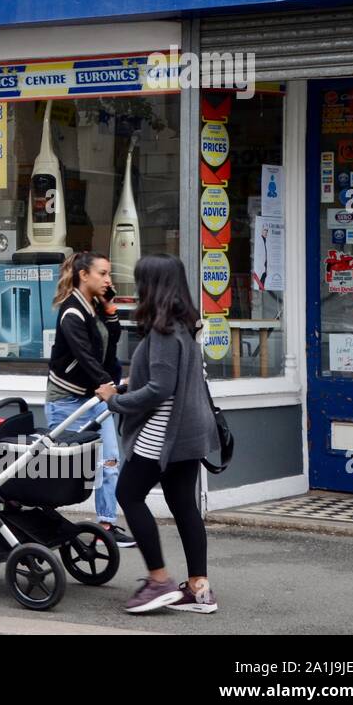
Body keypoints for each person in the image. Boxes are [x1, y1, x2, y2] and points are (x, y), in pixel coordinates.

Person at [99, 254, 221, 614]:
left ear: (152, 285)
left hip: (164, 431)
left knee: (128, 493)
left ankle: (158, 582)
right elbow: (164, 380)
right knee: (183, 503)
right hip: (189, 431)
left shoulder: (164, 329)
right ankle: (199, 590)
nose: (136, 289)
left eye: (140, 282)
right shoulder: (185, 322)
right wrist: (129, 385)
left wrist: (115, 401)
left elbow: (159, 389)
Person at [45, 250, 134, 547]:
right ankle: (36, 515)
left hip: (93, 398)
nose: (108, 279)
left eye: (109, 274)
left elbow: (108, 348)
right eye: (103, 274)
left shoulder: (94, 307)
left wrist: (110, 310)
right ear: (84, 275)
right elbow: (84, 357)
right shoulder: (72, 311)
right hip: (67, 401)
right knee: (63, 471)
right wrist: (107, 385)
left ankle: (106, 524)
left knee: (110, 461)